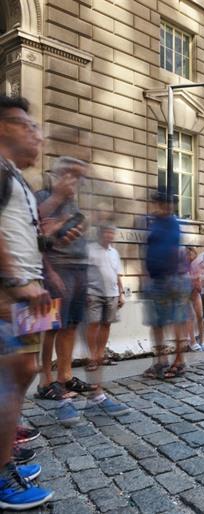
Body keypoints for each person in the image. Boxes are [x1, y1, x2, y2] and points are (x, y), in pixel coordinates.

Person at [0, 95, 56, 510]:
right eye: (28, 126)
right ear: (5, 127)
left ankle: (5, 455)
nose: (37, 134)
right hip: (10, 291)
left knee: (24, 372)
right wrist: (17, 281)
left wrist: (45, 271)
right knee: (12, 374)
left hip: (29, 290)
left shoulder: (17, 177)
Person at [35, 157, 95, 426]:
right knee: (50, 327)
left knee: (69, 325)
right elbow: (37, 241)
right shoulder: (44, 198)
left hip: (76, 272)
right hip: (55, 273)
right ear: (59, 175)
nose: (78, 182)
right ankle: (45, 381)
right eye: (74, 176)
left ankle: (65, 375)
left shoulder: (73, 205)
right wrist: (50, 271)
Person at [84, 224, 130, 415]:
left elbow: (118, 274)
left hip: (111, 293)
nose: (110, 235)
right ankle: (92, 354)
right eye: (107, 231)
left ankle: (100, 353)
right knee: (93, 323)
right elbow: (84, 271)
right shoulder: (90, 249)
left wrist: (121, 293)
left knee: (106, 325)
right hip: (93, 292)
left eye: (112, 232)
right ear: (100, 233)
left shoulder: (114, 252)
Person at [143, 190, 188, 379]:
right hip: (157, 279)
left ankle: (179, 361)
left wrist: (170, 276)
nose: (158, 207)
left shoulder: (171, 224)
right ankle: (161, 361)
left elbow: (171, 251)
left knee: (176, 321)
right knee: (157, 323)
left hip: (170, 279)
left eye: (161, 203)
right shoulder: (156, 223)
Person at [185, 247, 204, 352]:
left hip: (196, 293)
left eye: (191, 253)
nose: (189, 256)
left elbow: (203, 282)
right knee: (189, 317)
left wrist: (202, 282)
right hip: (185, 293)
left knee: (200, 316)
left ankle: (203, 339)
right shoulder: (183, 267)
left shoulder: (198, 266)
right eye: (187, 254)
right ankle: (192, 341)